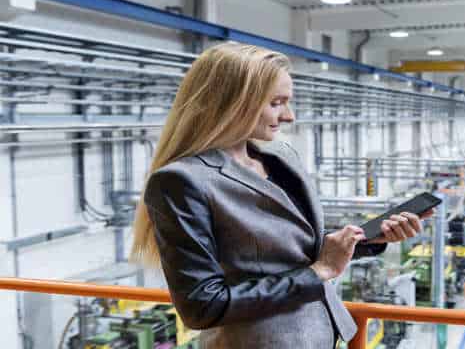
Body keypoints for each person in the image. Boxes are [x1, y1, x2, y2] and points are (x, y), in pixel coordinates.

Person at [130, 43, 433, 348]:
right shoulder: (182, 182)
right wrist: (319, 272)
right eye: (277, 103)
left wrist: (366, 239)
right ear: (234, 103)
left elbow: (290, 247)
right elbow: (203, 305)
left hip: (322, 336)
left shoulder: (280, 156)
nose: (289, 116)